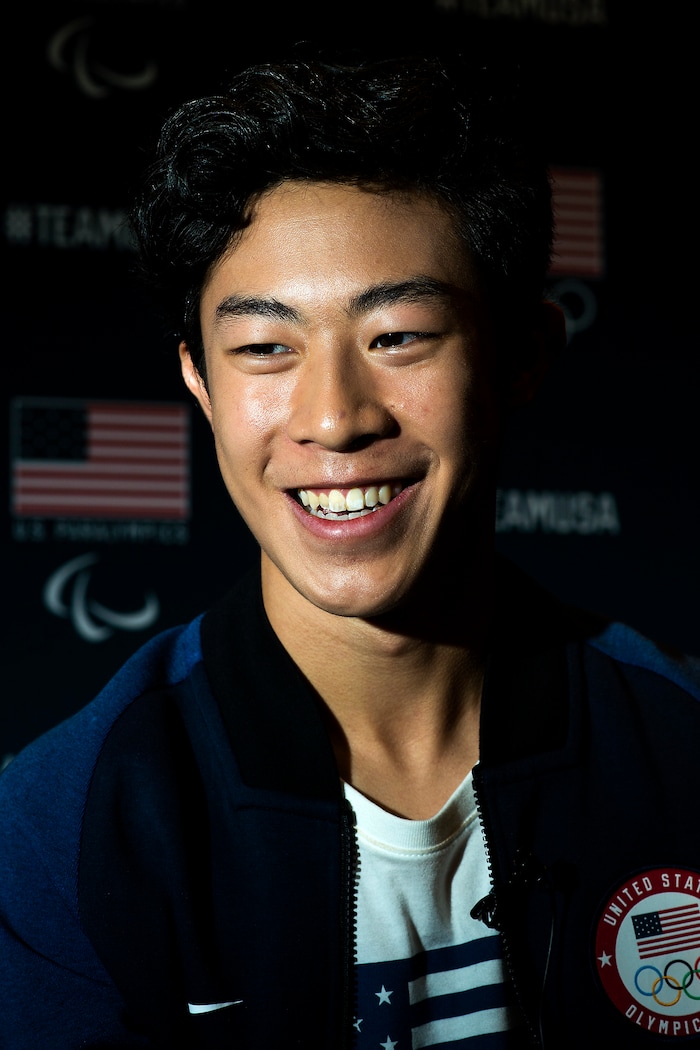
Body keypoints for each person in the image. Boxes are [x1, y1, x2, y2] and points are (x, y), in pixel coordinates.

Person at [1, 51, 699, 1050]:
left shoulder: (677, 749)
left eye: (398, 335)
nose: (333, 418)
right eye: (264, 348)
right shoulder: (61, 830)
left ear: (522, 356)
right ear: (198, 380)